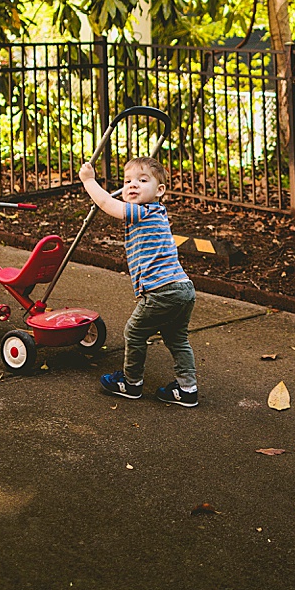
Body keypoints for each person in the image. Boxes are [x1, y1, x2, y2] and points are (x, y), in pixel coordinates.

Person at [78, 155, 199, 407]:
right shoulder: (156, 213)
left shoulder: (144, 212)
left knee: (133, 333)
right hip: (183, 290)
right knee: (177, 339)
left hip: (161, 291)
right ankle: (187, 389)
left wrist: (89, 181)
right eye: (128, 181)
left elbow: (105, 202)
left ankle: (131, 383)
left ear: (160, 191)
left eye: (143, 180)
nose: (132, 185)